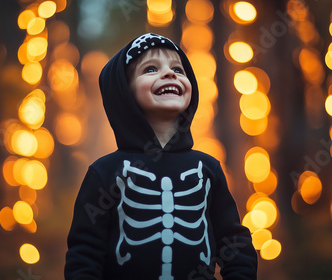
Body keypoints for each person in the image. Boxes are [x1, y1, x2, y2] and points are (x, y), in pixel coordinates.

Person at [65, 33, 257, 280]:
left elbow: (234, 242)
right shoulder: (105, 172)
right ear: (124, 91)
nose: (169, 74)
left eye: (178, 68)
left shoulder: (207, 169)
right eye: (151, 69)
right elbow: (84, 253)